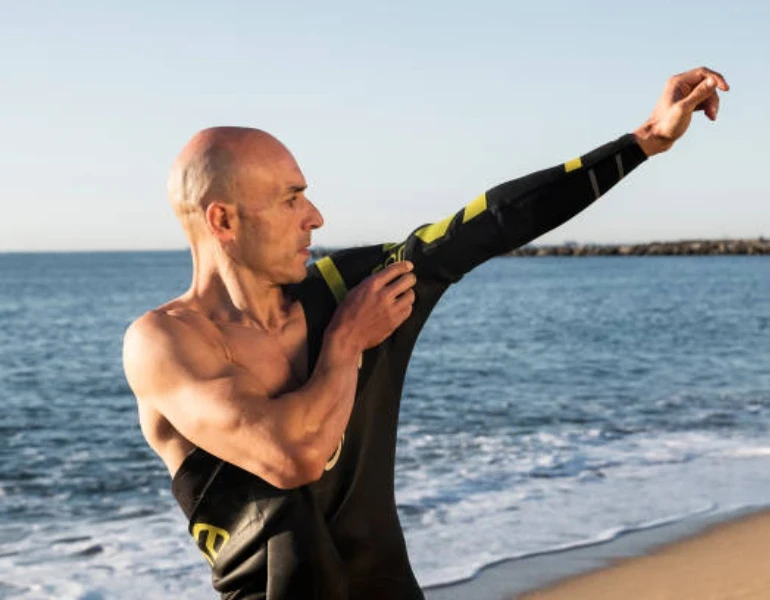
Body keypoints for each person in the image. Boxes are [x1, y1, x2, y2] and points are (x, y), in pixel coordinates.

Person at [122, 66, 729, 599]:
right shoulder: (166, 343)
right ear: (222, 220)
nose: (316, 216)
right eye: (290, 199)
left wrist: (643, 142)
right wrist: (344, 345)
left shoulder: (351, 289)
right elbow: (291, 456)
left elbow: (487, 222)